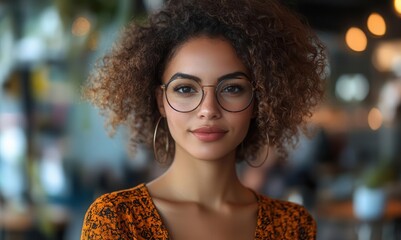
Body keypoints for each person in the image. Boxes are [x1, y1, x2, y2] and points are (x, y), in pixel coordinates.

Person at [80, 0, 326, 239]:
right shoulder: (116, 220)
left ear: (259, 101)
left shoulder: (293, 226)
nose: (208, 109)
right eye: (186, 89)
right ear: (160, 101)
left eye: (232, 88)